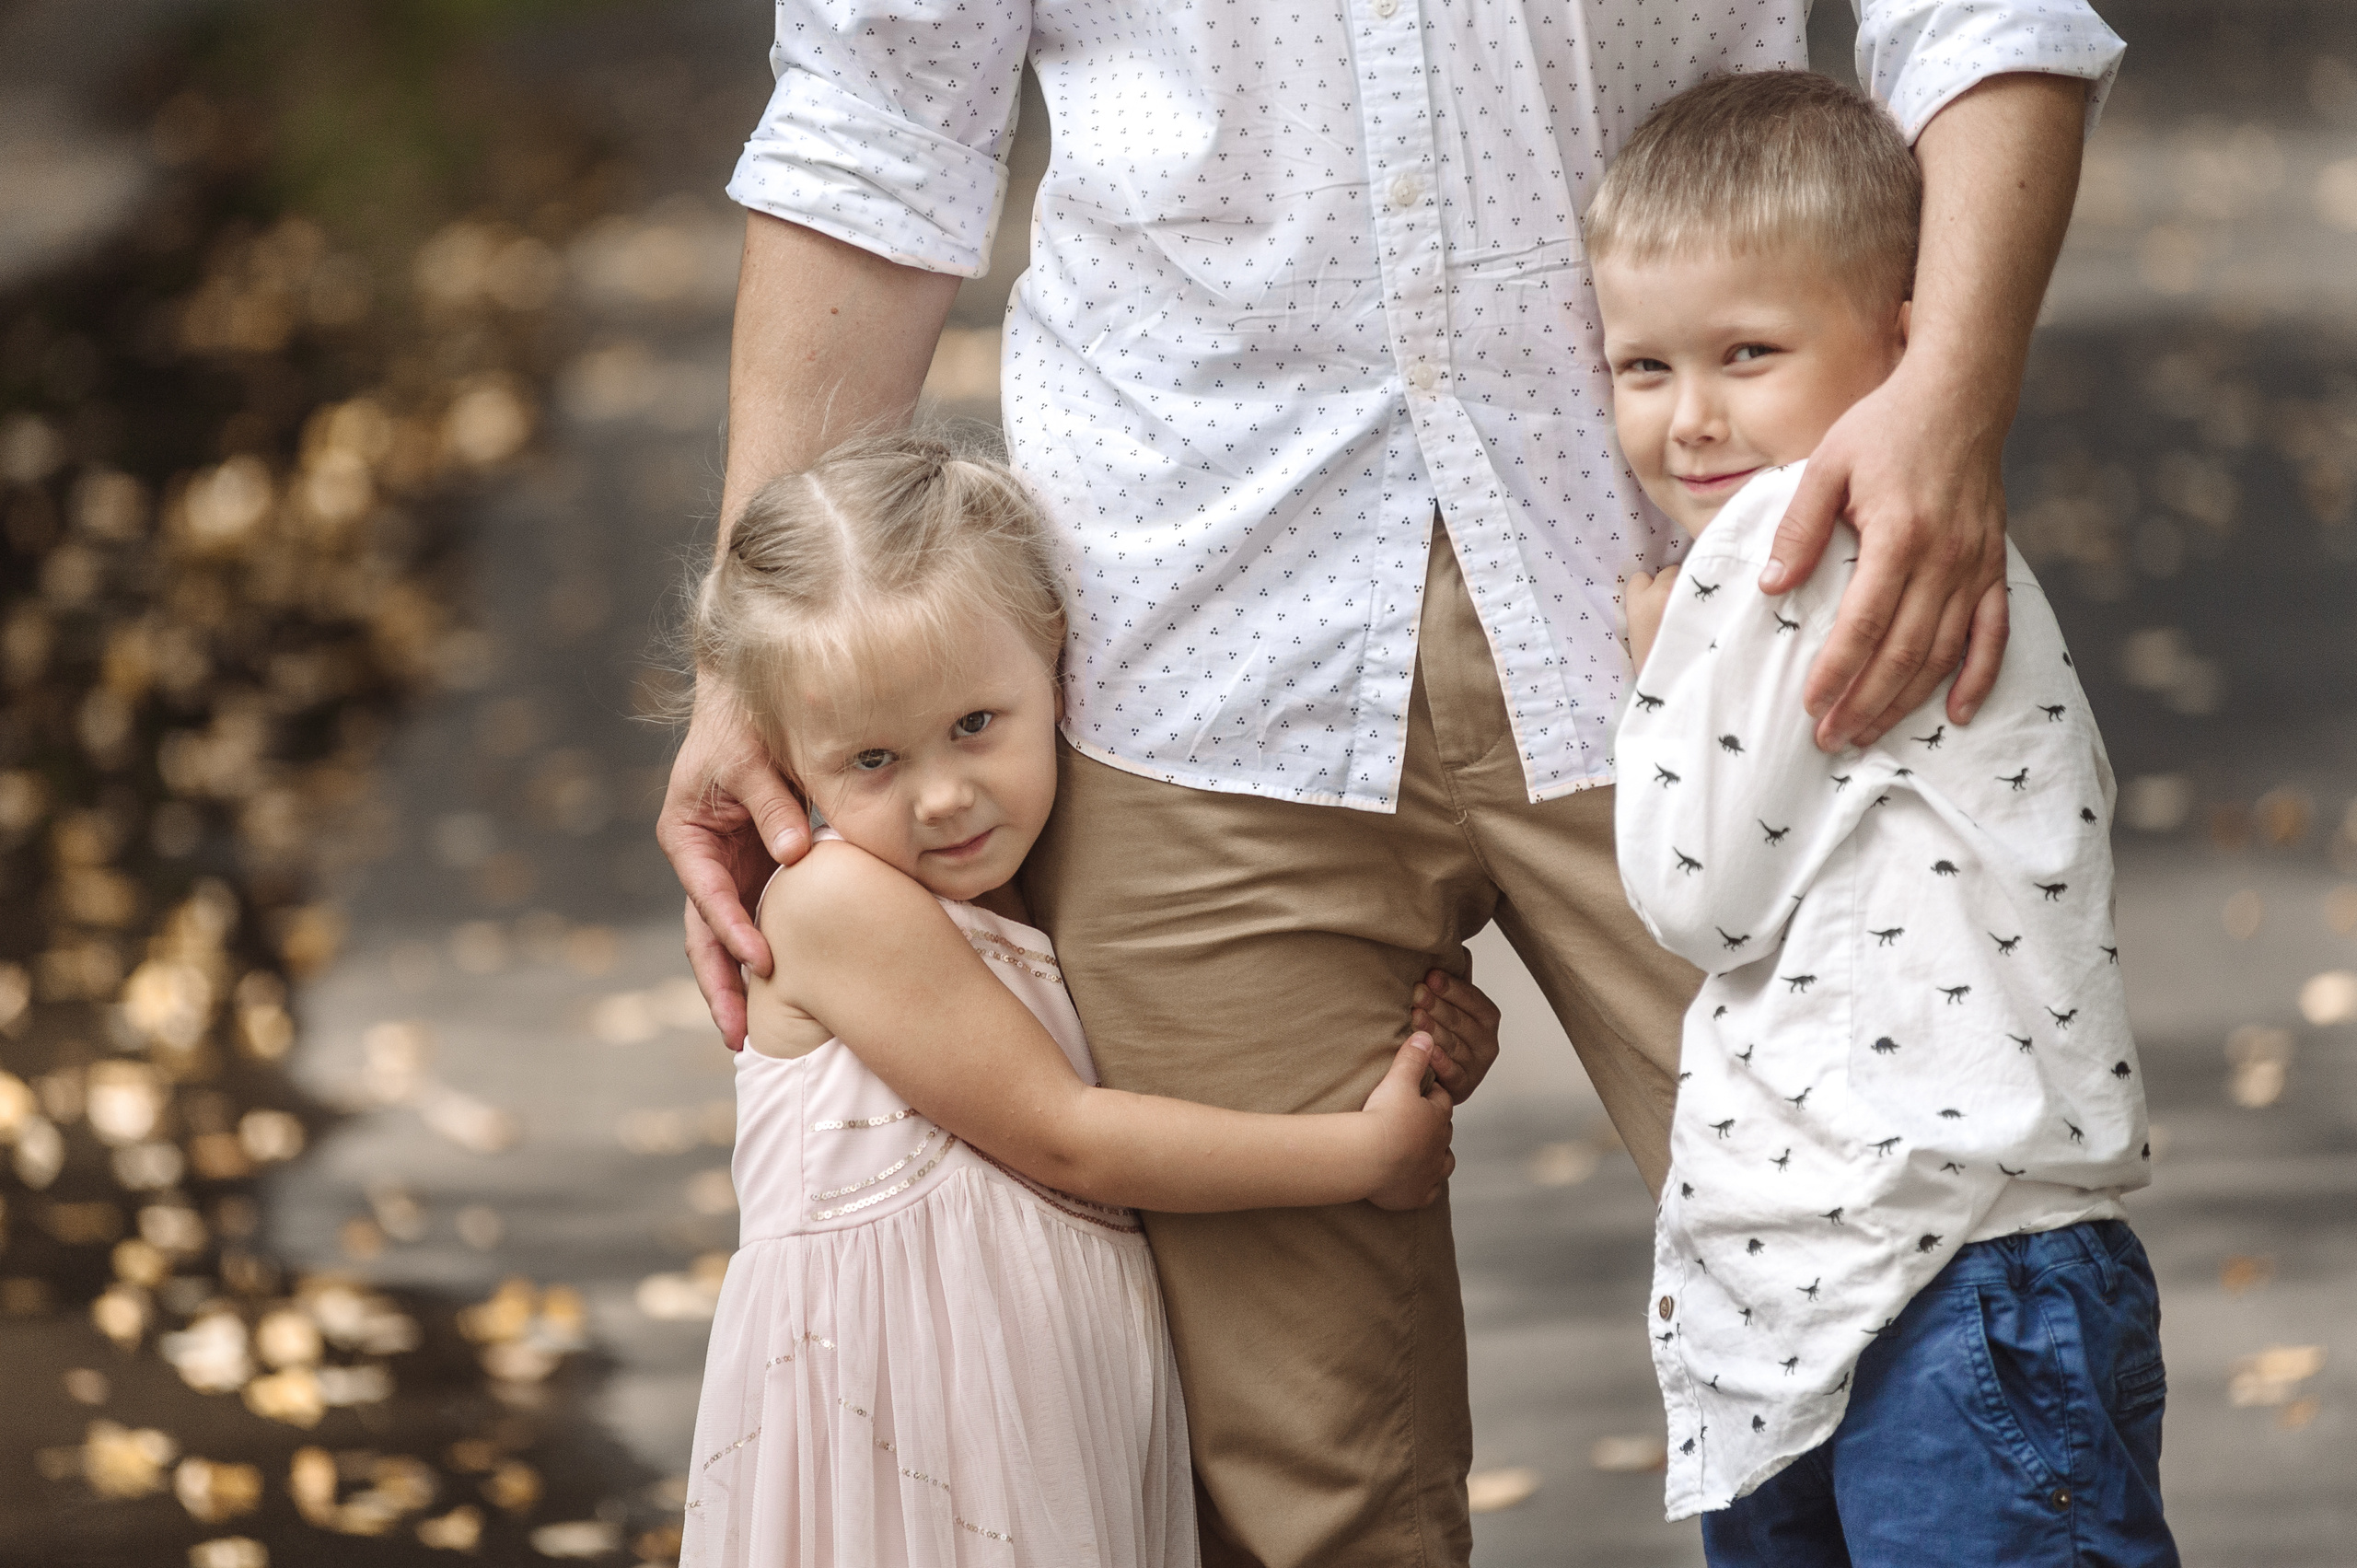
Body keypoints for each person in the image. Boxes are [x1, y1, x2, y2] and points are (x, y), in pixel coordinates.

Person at [667, 4, 2128, 1561]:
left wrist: (1950, 400)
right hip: (1195, 642)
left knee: (1931, 1300)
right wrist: (761, 661)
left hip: (1723, 612)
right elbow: (876, 114)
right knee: (1315, 1496)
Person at [677, 433, 1474, 1567]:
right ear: (781, 756)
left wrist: (1418, 1047)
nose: (942, 796)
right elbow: (1068, 1135)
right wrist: (1366, 1154)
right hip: (909, 1431)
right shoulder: (837, 899)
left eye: (973, 725)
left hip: (1038, 1413)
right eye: (871, 760)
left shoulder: (1042, 890)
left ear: (1055, 658)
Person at [1602, 72, 2171, 1566]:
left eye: (1748, 352)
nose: (1691, 416)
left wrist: (1661, 665)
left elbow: (1692, 891)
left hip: (1922, 1271)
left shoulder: (1793, 541)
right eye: (1643, 365)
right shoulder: (1918, 538)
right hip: (1914, 1263)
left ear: (1908, 347)